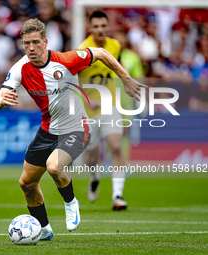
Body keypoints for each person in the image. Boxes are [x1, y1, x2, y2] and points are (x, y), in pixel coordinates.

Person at [0, 18, 144, 240]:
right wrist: (0, 100)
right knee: (26, 183)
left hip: (76, 128)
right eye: (26, 43)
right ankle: (44, 229)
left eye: (36, 42)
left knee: (54, 167)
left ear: (45, 42)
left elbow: (100, 53)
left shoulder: (65, 60)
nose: (31, 48)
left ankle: (71, 202)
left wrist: (126, 79)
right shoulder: (20, 68)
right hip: (47, 130)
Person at [78, 11, 137, 210]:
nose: (100, 30)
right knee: (93, 157)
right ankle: (95, 177)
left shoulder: (115, 45)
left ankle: (117, 196)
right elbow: (71, 81)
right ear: (90, 28)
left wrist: (127, 81)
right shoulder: (82, 51)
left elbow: (118, 64)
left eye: (103, 26)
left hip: (110, 104)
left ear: (108, 26)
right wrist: (86, 99)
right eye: (96, 27)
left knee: (117, 147)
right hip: (89, 110)